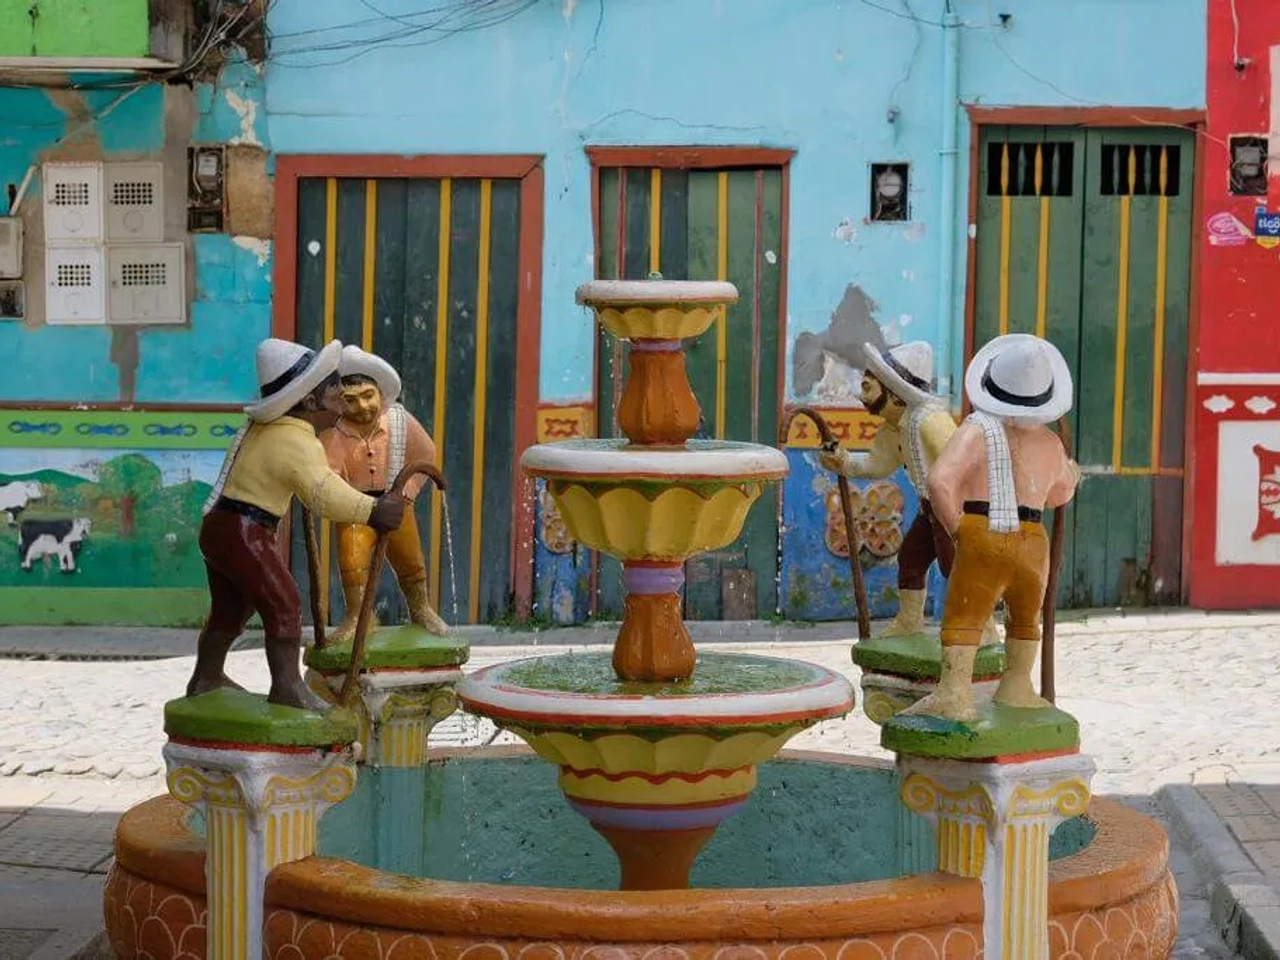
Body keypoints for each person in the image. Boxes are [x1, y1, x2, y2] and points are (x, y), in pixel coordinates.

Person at [186, 338, 407, 712]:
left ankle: (206, 676)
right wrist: (372, 510)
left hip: (222, 527)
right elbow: (323, 493)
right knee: (283, 603)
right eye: (331, 387)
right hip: (244, 531)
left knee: (231, 608)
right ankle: (286, 687)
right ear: (309, 402)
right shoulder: (293, 440)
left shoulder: (272, 431)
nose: (340, 391)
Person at [903, 333, 1080, 722]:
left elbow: (939, 482)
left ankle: (953, 693)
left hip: (983, 530)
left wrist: (958, 528)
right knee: (1025, 616)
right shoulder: (1051, 444)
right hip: (1033, 542)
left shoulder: (977, 430)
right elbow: (1061, 493)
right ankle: (1017, 685)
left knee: (966, 613)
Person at [820, 341, 999, 644]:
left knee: (957, 567)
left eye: (867, 387)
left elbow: (964, 467)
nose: (861, 396)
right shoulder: (895, 428)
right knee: (911, 559)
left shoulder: (930, 421)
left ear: (893, 391)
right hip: (929, 508)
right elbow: (878, 464)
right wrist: (844, 461)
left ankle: (983, 627)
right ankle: (909, 621)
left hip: (954, 509)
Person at [320, 345, 448, 642]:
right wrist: (345, 499)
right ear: (340, 403)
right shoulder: (334, 435)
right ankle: (358, 616)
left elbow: (426, 454)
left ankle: (421, 608)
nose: (362, 407)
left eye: (368, 396)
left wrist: (407, 493)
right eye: (351, 401)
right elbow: (328, 475)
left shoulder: (400, 422)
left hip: (395, 502)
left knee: (410, 560)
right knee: (352, 561)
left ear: (381, 393)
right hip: (355, 508)